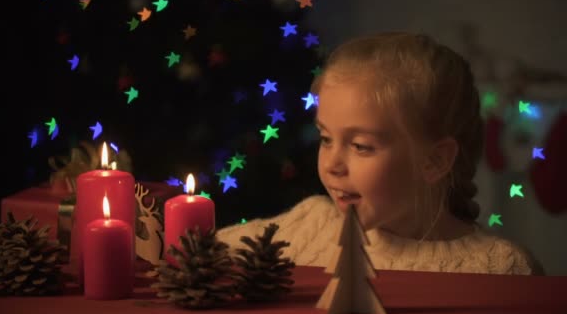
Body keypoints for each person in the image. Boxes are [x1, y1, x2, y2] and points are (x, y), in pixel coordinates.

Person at [217, 32, 544, 275]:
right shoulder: (309, 224)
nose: (331, 164)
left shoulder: (502, 268)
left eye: (360, 146)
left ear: (435, 160)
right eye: (326, 138)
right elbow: (195, 251)